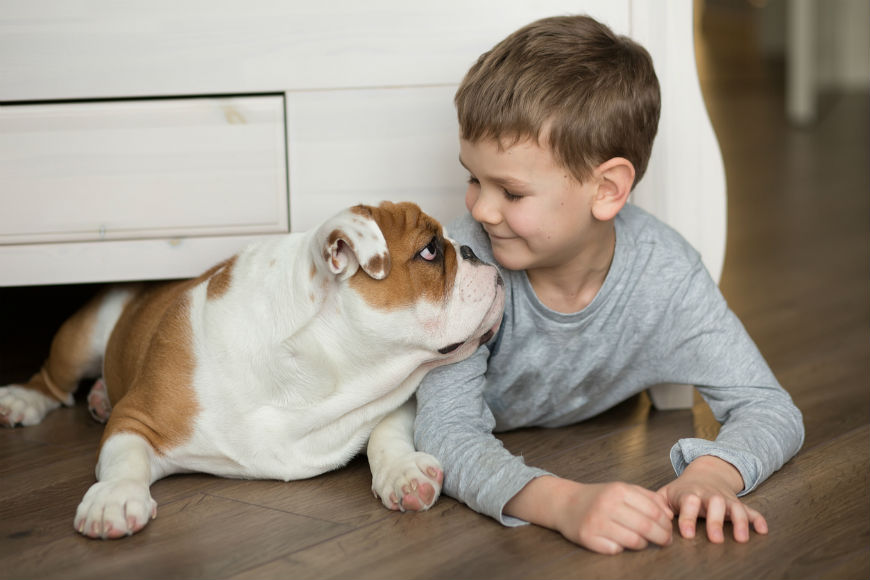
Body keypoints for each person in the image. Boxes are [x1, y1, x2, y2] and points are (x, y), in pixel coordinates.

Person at [413, 14, 804, 555]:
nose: (481, 208)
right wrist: (564, 504)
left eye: (510, 191)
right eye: (472, 179)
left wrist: (711, 477)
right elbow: (444, 434)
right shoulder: (466, 262)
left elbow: (768, 406)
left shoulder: (664, 275)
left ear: (607, 189)